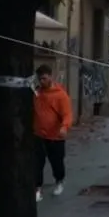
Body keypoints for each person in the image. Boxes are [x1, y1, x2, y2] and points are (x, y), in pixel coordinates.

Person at [33, 65, 73, 202]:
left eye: (44, 78)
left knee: (56, 162)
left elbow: (67, 114)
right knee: (37, 163)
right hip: (38, 135)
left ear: (50, 76)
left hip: (55, 136)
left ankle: (59, 180)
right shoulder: (37, 94)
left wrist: (64, 127)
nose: (41, 81)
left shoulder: (60, 95)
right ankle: (37, 188)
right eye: (39, 79)